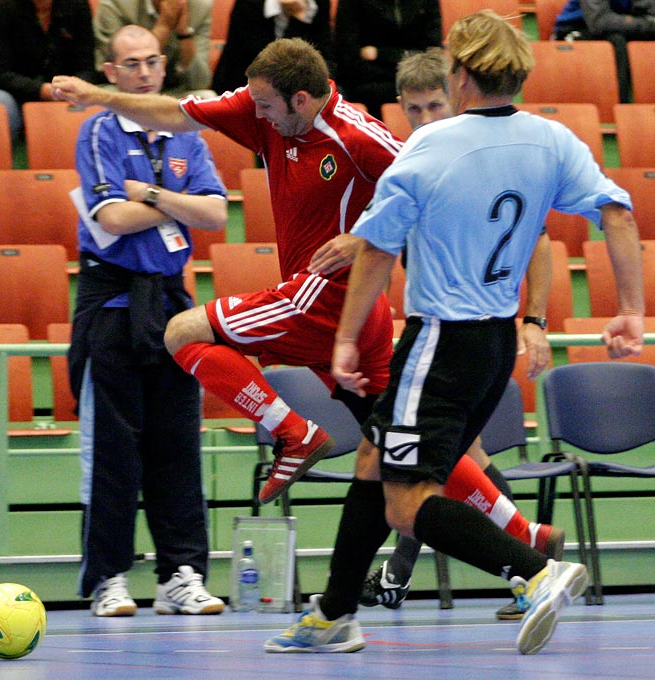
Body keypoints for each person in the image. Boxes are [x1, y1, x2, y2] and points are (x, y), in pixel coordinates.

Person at [51, 36, 567, 599]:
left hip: (321, 300)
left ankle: (293, 431)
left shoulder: (357, 136)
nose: (258, 115)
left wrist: (359, 236)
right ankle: (526, 535)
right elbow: (174, 113)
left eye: (268, 106)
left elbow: (438, 193)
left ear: (301, 100)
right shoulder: (261, 108)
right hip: (350, 319)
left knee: (182, 333)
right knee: (395, 442)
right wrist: (98, 95)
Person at [266, 10, 644, 655]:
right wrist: (630, 307)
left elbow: (379, 250)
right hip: (494, 346)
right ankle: (333, 614)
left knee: (406, 503)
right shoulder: (552, 141)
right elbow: (616, 213)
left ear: (461, 74)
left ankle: (533, 570)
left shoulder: (428, 146)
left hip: (439, 342)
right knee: (373, 457)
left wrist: (345, 338)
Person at [360, 47, 557, 622]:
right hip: (434, 331)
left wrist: (536, 320)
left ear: (459, 99)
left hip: (468, 336)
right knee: (429, 463)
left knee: (411, 465)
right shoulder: (410, 160)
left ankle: (527, 556)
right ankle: (526, 548)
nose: (426, 120)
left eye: (435, 106)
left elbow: (541, 240)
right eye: (415, 109)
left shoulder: (483, 157)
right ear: (400, 108)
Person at [70, 24, 227, 617]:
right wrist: (169, 202)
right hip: (111, 305)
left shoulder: (190, 135)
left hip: (170, 306)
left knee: (176, 446)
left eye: (151, 62)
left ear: (165, 68)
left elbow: (214, 213)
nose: (143, 72)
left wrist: (155, 196)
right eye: (130, 64)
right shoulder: (99, 132)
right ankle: (109, 577)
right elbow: (109, 217)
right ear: (110, 74)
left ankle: (180, 575)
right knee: (114, 453)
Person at [0, 0, 95, 140]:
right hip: (5, 87)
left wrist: (75, 88)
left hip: (61, 89)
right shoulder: (1, 7)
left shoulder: (78, 5)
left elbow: (86, 65)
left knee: (92, 100)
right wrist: (42, 90)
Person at [333, 0, 442, 119]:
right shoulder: (352, 4)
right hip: (368, 81)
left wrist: (380, 54)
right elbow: (348, 56)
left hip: (416, 75)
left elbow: (432, 52)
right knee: (370, 92)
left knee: (433, 89)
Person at [94, 0, 215, 97]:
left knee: (207, 97)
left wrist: (184, 35)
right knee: (103, 99)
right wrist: (164, 26)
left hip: (172, 92)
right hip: (125, 92)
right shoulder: (115, 4)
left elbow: (200, 82)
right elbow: (105, 72)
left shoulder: (200, 6)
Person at [212, 0, 333, 94]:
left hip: (301, 87)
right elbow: (270, 65)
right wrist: (297, 20)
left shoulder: (317, 3)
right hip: (245, 85)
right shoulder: (249, 4)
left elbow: (325, 55)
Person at [553, 0, 655, 102]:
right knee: (616, 41)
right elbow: (599, 22)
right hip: (575, 29)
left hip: (621, 28)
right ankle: (619, 105)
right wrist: (646, 23)